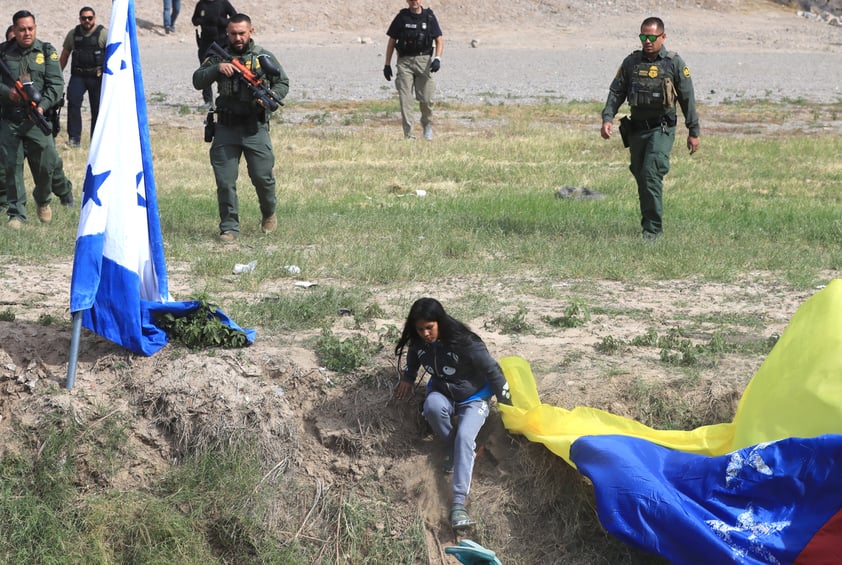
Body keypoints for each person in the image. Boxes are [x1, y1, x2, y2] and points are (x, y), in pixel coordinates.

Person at [394, 298, 513, 530]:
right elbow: (413, 357)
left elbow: (492, 369)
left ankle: (458, 504)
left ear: (440, 322)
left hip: (474, 398)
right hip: (442, 393)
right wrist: (408, 378)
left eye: (430, 327)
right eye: (420, 329)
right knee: (432, 408)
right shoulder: (420, 343)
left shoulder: (464, 342)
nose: (425, 333)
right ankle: (455, 450)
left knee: (465, 438)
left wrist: (508, 404)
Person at [600, 16, 699, 240]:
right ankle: (648, 224)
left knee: (650, 173)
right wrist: (607, 118)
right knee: (640, 174)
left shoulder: (674, 63)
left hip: (661, 129)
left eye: (652, 37)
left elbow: (687, 99)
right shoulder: (631, 62)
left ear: (663, 37)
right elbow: (616, 91)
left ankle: (652, 232)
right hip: (636, 130)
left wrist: (694, 131)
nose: (647, 41)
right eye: (643, 36)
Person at [192, 13, 289, 242]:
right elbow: (198, 80)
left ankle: (269, 213)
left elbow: (282, 82)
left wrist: (269, 98)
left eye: (242, 33)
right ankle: (229, 228)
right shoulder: (218, 57)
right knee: (225, 181)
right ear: (227, 33)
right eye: (233, 33)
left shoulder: (262, 57)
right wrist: (217, 69)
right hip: (226, 128)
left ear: (251, 32)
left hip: (255, 127)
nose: (238, 38)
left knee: (263, 178)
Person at [0, 10, 74, 228]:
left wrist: (41, 107)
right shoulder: (3, 52)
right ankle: (16, 214)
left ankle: (43, 200)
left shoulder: (46, 51)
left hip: (37, 119)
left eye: (30, 28)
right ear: (14, 30)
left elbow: (56, 86)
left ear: (35, 28)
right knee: (11, 166)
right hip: (10, 120)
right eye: (21, 29)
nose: (26, 33)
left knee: (45, 166)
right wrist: (7, 93)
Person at [383, 0, 443, 141]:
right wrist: (387, 64)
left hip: (424, 62)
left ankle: (427, 124)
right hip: (405, 62)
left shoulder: (429, 17)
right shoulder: (402, 17)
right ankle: (409, 135)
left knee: (427, 99)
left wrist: (438, 59)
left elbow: (439, 39)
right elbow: (392, 41)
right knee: (406, 99)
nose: (414, 2)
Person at [59, 6, 107, 147]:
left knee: (97, 108)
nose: (87, 20)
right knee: (73, 104)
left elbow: (112, 55)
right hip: (78, 76)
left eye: (90, 18)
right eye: (84, 18)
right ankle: (74, 139)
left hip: (96, 76)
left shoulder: (103, 34)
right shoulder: (73, 34)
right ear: (80, 19)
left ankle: (96, 141)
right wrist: (56, 74)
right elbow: (65, 54)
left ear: (94, 18)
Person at [191, 0, 237, 108]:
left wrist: (221, 21)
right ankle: (208, 101)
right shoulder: (201, 4)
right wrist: (202, 20)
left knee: (228, 70)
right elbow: (194, 20)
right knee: (205, 70)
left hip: (222, 43)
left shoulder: (223, 3)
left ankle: (228, 99)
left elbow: (235, 17)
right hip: (206, 43)